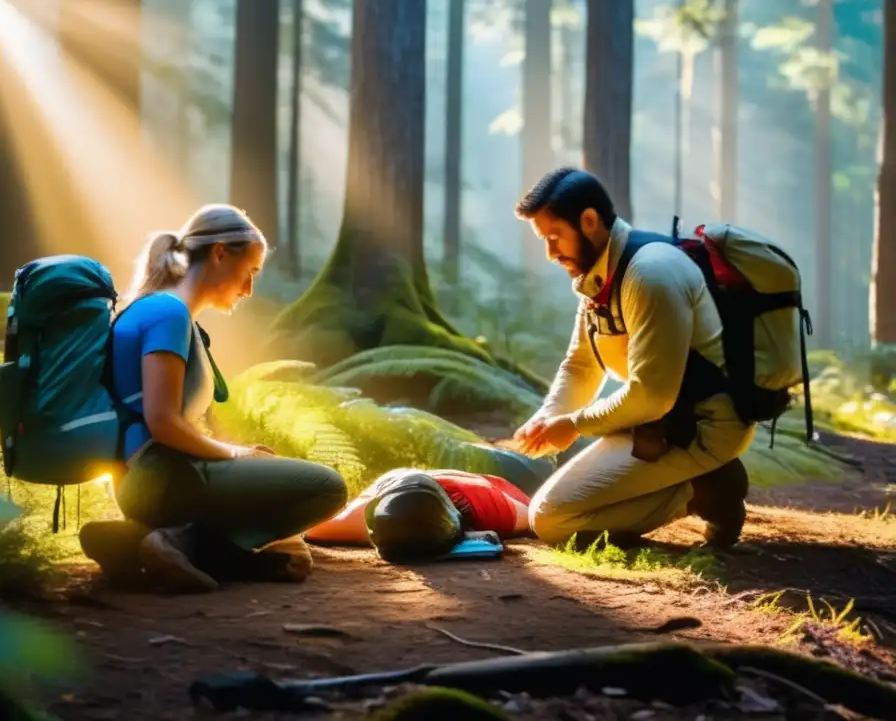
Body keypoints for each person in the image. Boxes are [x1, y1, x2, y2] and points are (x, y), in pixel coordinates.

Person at [80, 205, 348, 591]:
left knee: (275, 499)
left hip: (145, 481)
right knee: (327, 487)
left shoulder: (158, 310)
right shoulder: (168, 313)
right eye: (251, 271)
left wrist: (234, 451)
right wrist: (235, 455)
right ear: (220, 253)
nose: (249, 288)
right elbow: (163, 422)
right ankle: (183, 543)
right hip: (161, 477)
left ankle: (138, 542)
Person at [510, 168, 754, 550]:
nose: (551, 253)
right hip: (659, 424)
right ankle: (698, 483)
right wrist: (548, 417)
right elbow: (581, 364)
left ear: (589, 221)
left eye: (555, 237)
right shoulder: (600, 276)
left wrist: (574, 424)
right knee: (551, 512)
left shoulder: (650, 274)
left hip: (704, 427)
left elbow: (652, 396)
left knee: (552, 520)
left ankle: (707, 489)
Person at [305, 468, 532, 562]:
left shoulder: (495, 509)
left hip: (477, 488)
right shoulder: (366, 520)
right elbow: (310, 527)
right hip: (393, 484)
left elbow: (537, 515)